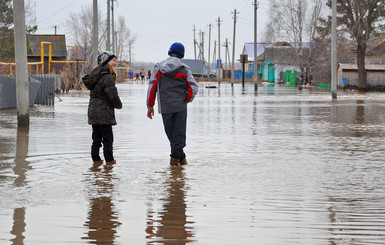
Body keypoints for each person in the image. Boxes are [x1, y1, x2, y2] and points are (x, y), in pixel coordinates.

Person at [146, 42, 198, 166]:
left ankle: (177, 171)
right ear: (182, 54)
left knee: (172, 137)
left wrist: (150, 106)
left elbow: (152, 88)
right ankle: (176, 169)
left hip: (165, 107)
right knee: (178, 137)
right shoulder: (184, 69)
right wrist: (186, 99)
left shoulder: (158, 67)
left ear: (170, 51)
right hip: (180, 107)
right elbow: (193, 88)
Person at [82, 51, 122, 169]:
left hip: (93, 112)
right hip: (104, 113)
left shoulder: (94, 75)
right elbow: (112, 95)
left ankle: (96, 162)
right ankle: (109, 164)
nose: (115, 63)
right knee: (108, 140)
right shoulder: (107, 77)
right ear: (106, 62)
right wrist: (119, 105)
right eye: (113, 60)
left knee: (96, 140)